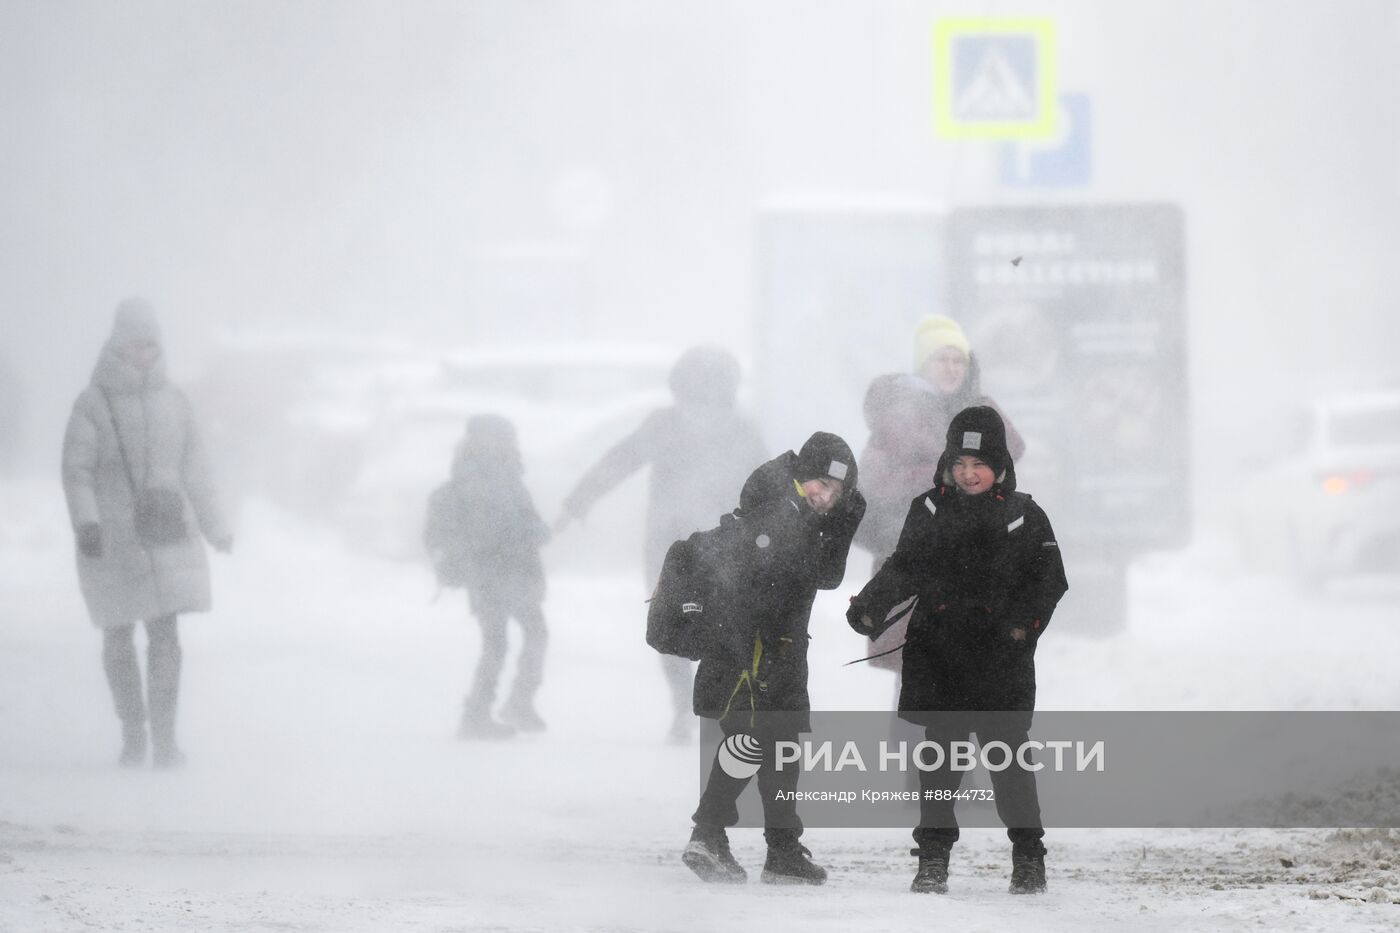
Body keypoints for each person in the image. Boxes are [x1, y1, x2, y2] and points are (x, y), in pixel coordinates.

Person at [847, 406, 1067, 895]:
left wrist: (1021, 628)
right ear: (947, 463)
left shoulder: (1025, 516)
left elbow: (1049, 583)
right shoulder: (927, 509)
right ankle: (933, 858)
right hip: (938, 656)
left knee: (1008, 761)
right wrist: (870, 606)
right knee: (939, 764)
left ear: (1001, 467)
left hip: (1000, 663)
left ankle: (1029, 856)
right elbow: (904, 565)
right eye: (960, 463)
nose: (969, 474)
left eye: (980, 464)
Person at [681, 432, 865, 886]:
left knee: (776, 746)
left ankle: (776, 849)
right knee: (755, 741)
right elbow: (792, 576)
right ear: (802, 477)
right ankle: (712, 835)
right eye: (820, 485)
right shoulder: (775, 510)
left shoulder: (801, 513)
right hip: (752, 648)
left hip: (779, 647)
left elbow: (823, 574)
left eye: (836, 492)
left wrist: (843, 521)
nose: (826, 497)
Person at [557, 346, 766, 742]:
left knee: (677, 625)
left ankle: (688, 705)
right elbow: (770, 488)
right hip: (711, 546)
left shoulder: (675, 426)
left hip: (678, 547)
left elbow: (617, 462)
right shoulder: (735, 430)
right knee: (721, 625)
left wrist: (577, 502)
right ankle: (710, 704)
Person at [61, 298, 233, 769]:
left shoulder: (176, 402)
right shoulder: (93, 404)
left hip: (165, 535)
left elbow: (196, 470)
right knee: (118, 638)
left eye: (150, 343)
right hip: (112, 541)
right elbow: (77, 471)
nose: (143, 352)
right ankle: (132, 731)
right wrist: (88, 522)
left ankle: (164, 739)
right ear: (117, 343)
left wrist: (217, 526)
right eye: (135, 343)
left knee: (165, 637)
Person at [855, 315, 1025, 678]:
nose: (951, 369)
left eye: (959, 361)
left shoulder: (972, 409)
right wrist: (941, 475)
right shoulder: (901, 413)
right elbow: (875, 486)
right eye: (941, 359)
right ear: (923, 365)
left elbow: (1013, 449)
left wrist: (980, 405)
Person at [425, 414, 550, 739]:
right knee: (498, 642)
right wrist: (523, 535)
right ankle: (480, 713)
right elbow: (487, 532)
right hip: (489, 576)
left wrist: (536, 531)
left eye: (500, 438)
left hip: (517, 573)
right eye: (487, 437)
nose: (494, 444)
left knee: (533, 635)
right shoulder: (470, 483)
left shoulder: (511, 480)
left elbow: (528, 521)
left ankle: (516, 702)